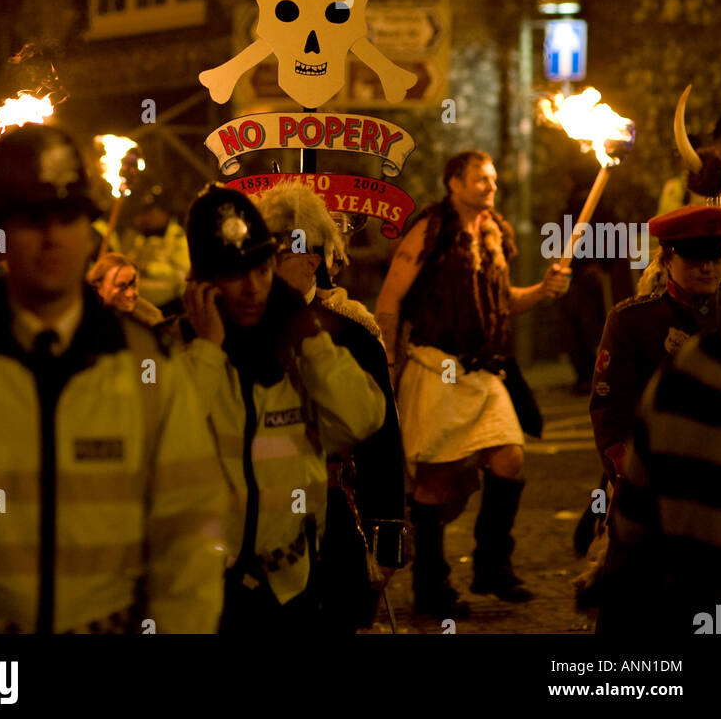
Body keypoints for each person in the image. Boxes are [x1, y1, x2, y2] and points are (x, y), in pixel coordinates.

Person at [0, 123, 226, 634]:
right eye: (31, 218)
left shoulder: (145, 364)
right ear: (1, 235)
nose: (51, 235)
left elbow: (187, 535)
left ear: (90, 231)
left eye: (66, 216)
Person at [180, 182, 386, 633]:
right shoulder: (171, 350)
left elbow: (364, 421)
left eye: (261, 267)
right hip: (203, 590)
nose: (253, 288)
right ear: (202, 283)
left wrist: (311, 340)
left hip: (295, 583)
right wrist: (208, 352)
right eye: (235, 274)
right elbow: (164, 444)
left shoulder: (308, 341)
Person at [375, 149, 569, 615]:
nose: (491, 187)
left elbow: (503, 302)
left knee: (510, 458)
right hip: (436, 366)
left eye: (494, 179)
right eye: (481, 180)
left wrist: (540, 292)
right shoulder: (431, 229)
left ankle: (492, 567)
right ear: (454, 184)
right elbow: (389, 299)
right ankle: (431, 586)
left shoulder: (496, 232)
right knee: (436, 479)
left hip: (486, 372)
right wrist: (385, 364)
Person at [257, 182, 406, 633]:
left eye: (280, 256)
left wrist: (387, 534)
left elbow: (381, 441)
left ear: (312, 260)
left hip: (334, 509)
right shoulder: (238, 327)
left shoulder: (353, 333)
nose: (268, 269)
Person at [597, 317, 721, 635]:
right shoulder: (689, 359)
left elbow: (633, 525)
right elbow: (610, 405)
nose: (707, 270)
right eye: (697, 262)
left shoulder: (696, 358)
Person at [590, 204, 721, 482]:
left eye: (715, 258)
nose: (707, 268)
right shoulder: (631, 320)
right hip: (663, 470)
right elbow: (610, 412)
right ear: (667, 260)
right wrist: (627, 476)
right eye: (694, 258)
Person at [127, 189, 191, 311]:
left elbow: (182, 275)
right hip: (141, 304)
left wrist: (148, 268)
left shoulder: (179, 238)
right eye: (147, 212)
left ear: (165, 213)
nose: (148, 217)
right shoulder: (143, 237)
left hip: (169, 307)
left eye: (152, 212)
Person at [87, 252, 163, 326]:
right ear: (98, 286)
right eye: (121, 286)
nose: (130, 294)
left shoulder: (151, 319)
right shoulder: (82, 320)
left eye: (134, 286)